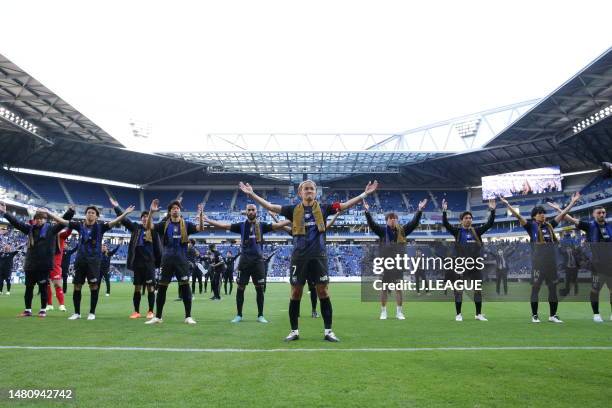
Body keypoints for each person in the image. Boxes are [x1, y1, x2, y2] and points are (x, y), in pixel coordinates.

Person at [239, 179, 378, 342]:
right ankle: (294, 331)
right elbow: (271, 207)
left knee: (323, 292)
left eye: (312, 188)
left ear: (316, 192)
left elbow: (345, 205)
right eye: (306, 189)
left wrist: (365, 194)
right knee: (295, 292)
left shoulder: (324, 208)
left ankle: (328, 331)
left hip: (319, 256)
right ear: (300, 193)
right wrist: (252, 194)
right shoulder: (292, 209)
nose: (309, 191)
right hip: (299, 257)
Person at [500, 193, 580, 323]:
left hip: (551, 263)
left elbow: (563, 214)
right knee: (535, 288)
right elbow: (517, 216)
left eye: (543, 213)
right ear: (534, 216)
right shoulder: (531, 226)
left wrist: (573, 202)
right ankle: (534, 315)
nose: (543, 215)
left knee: (553, 288)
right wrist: (507, 204)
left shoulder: (550, 226)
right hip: (538, 263)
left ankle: (552, 315)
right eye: (539, 213)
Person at [204, 204, 290, 322]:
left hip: (258, 261)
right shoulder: (241, 226)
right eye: (248, 210)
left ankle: (260, 315)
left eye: (252, 210)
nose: (250, 212)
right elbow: (224, 225)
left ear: (256, 211)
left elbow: (278, 225)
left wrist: (293, 218)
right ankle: (239, 315)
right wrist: (209, 220)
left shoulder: (262, 225)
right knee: (240, 287)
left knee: (259, 288)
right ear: (246, 212)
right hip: (244, 261)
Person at [47, 204, 134, 321]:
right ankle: (77, 313)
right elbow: (62, 221)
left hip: (94, 262)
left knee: (93, 286)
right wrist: (49, 213)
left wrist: (125, 213)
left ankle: (92, 312)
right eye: (89, 212)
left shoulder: (101, 227)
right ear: (85, 215)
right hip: (80, 260)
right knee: (77, 286)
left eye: (93, 213)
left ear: (97, 216)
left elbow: (114, 221)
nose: (90, 214)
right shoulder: (78, 225)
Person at [0, 202, 73, 317]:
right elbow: (17, 223)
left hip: (44, 265)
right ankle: (28, 310)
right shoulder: (30, 229)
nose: (39, 220)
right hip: (30, 264)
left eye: (42, 219)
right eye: (37, 218)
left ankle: (43, 310)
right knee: (28, 289)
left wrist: (70, 212)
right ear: (34, 220)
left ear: (45, 220)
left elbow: (62, 222)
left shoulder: (51, 230)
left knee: (43, 289)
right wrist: (5, 213)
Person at [364, 198, 427, 320]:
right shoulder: (382, 231)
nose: (393, 220)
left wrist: (419, 210)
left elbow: (413, 223)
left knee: (398, 288)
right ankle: (383, 312)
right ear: (386, 221)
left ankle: (399, 312)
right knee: (384, 289)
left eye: (395, 218)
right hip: (385, 264)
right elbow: (372, 224)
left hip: (398, 263)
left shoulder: (402, 231)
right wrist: (367, 212)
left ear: (397, 220)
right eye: (390, 218)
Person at [548, 204, 612, 322]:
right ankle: (596, 314)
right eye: (599, 212)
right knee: (595, 290)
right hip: (598, 266)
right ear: (593, 214)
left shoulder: (610, 227)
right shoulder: (589, 226)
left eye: (603, 212)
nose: (602, 214)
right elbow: (569, 218)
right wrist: (558, 210)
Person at [145, 199, 204, 325]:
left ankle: (188, 317)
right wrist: (151, 212)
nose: (175, 210)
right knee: (162, 288)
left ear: (180, 210)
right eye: (173, 208)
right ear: (170, 211)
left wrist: (200, 216)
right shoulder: (164, 225)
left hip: (181, 261)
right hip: (166, 260)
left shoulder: (187, 225)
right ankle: (158, 317)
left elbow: (200, 228)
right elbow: (149, 226)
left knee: (185, 287)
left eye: (177, 208)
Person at [441, 198, 495, 321]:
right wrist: (444, 211)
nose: (468, 219)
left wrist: (492, 210)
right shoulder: (457, 232)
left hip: (475, 265)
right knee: (459, 291)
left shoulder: (477, 231)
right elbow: (446, 224)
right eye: (466, 218)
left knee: (477, 290)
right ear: (461, 220)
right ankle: (458, 314)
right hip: (461, 265)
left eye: (470, 218)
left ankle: (478, 314)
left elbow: (489, 224)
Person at [111, 198, 161, 319]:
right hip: (137, 263)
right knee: (137, 288)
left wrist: (157, 263)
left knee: (150, 288)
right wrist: (117, 207)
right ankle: (136, 311)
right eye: (143, 217)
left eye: (147, 216)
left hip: (149, 263)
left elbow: (158, 248)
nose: (145, 218)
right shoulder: (135, 228)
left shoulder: (154, 230)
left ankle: (150, 311)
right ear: (140, 219)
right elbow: (124, 220)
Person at [46, 223, 74, 312]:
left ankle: (61, 305)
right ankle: (49, 304)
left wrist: (71, 225)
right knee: (46, 285)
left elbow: (68, 232)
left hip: (55, 265)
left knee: (57, 285)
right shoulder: (46, 236)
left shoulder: (60, 235)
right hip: (45, 263)